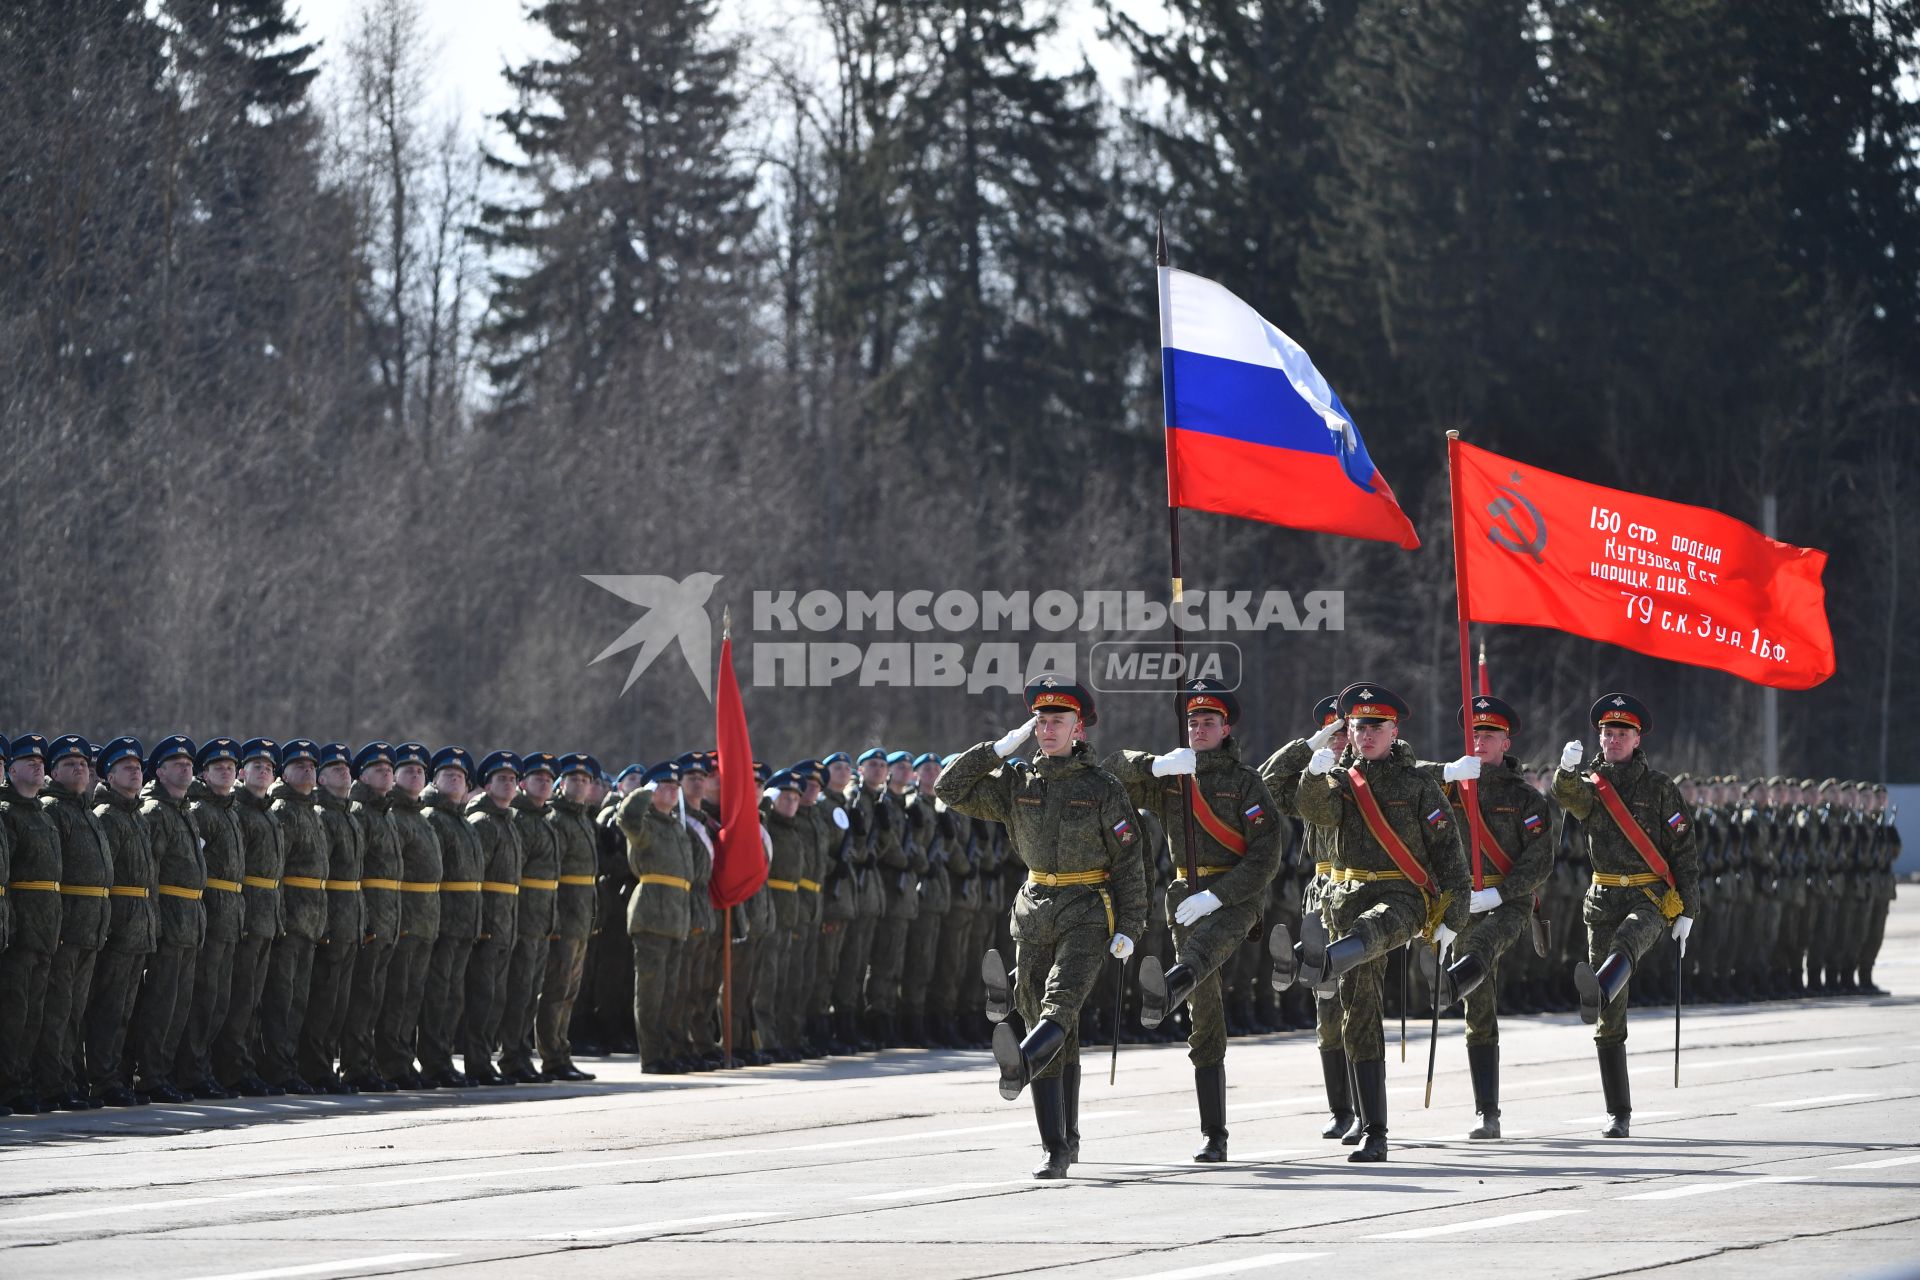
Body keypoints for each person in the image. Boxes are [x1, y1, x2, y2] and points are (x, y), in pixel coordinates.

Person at [937, 675, 1147, 1179]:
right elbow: (949, 788)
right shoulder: (1017, 783)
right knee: (1048, 1025)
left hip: (1086, 907)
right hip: (1032, 908)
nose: (1048, 730)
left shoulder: (1102, 788)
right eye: (1041, 721)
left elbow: (1130, 862)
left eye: (1059, 721)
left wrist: (1131, 926)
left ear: (1078, 728)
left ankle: (1020, 1066)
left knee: (1060, 1004)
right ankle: (1060, 1144)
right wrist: (995, 749)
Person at [1283, 683, 1472, 1163]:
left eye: (1374, 726)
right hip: (1345, 897)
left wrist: (1454, 915)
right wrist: (1312, 774)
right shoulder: (1342, 779)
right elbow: (1312, 811)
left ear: (1394, 730)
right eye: (1358, 726)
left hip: (1401, 897)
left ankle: (1317, 961)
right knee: (1358, 1015)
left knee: (1372, 930)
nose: (1364, 734)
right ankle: (1375, 1131)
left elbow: (1450, 855)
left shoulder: (1417, 784)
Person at [1105, 678, 1282, 1162]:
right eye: (1192, 722)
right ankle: (1214, 1134)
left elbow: (1267, 855)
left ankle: (1166, 987)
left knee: (1205, 955)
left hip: (1235, 897)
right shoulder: (1174, 775)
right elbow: (1108, 774)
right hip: (1185, 894)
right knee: (1204, 1014)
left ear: (1226, 728)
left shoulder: (1246, 782)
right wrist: (1154, 764)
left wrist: (1219, 896)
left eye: (1209, 722)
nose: (1199, 728)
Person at [1556, 693, 1699, 1139]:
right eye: (1606, 732)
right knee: (1610, 1014)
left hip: (1649, 896)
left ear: (1637, 739)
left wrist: (1689, 909)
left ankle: (1598, 985)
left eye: (1621, 733)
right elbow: (1569, 798)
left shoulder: (1659, 787)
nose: (1612, 739)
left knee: (1627, 946)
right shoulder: (1591, 781)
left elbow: (1684, 851)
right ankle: (1618, 1112)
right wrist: (1564, 771)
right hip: (1603, 897)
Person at [1416, 696, 1554, 1139]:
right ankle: (1487, 1112)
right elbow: (1400, 779)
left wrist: (1501, 892)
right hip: (1462, 898)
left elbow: (1540, 859)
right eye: (1474, 734)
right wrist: (1447, 773)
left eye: (1489, 735)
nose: (1479, 742)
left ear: (1505, 742)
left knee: (1483, 946)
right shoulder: (1453, 785)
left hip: (1508, 900)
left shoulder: (1525, 797)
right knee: (1481, 1008)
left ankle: (1449, 983)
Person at [619, 760, 695, 1074]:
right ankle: (651, 1056)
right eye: (664, 786)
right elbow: (626, 818)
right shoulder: (646, 823)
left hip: (676, 917)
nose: (672, 791)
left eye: (675, 786)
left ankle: (667, 1050)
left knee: (670, 993)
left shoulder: (677, 825)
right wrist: (643, 793)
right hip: (651, 915)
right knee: (651, 992)